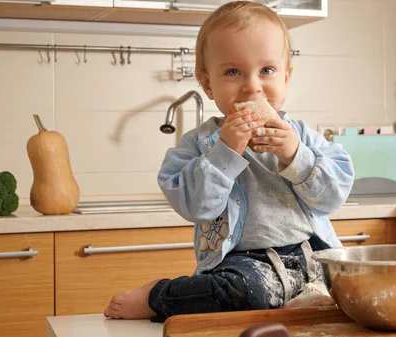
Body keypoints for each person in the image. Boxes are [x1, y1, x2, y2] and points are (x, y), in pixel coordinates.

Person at [103, 0, 354, 322]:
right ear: (207, 83)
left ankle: (302, 301)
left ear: (286, 78)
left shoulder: (302, 137)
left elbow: (333, 197)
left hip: (311, 253)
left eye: (267, 70)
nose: (252, 86)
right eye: (233, 72)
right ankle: (159, 296)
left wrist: (295, 155)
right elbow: (195, 206)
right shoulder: (198, 145)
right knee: (246, 293)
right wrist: (226, 151)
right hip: (244, 262)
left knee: (354, 283)